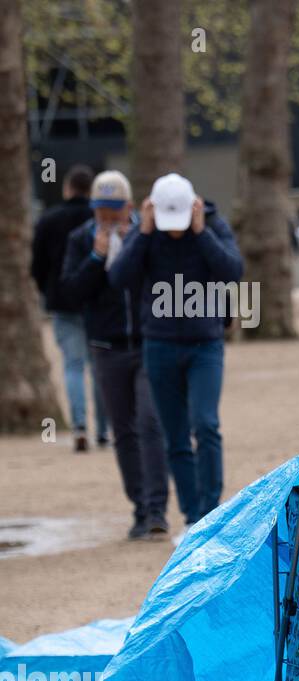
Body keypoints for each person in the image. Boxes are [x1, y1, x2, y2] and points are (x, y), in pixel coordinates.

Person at [109, 173, 243, 532]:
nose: (175, 230)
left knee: (206, 423)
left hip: (205, 344)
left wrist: (202, 233)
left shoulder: (212, 225)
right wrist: (144, 232)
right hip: (160, 344)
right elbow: (118, 277)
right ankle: (192, 516)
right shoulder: (146, 232)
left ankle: (211, 511)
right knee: (175, 435)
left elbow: (233, 271)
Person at [61, 171, 170, 540]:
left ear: (128, 207)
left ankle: (157, 509)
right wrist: (96, 257)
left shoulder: (147, 235)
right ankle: (140, 508)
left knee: (150, 422)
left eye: (114, 210)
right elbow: (71, 292)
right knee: (122, 430)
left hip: (147, 342)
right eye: (100, 211)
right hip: (106, 347)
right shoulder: (80, 239)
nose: (107, 219)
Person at [30, 163, 109, 452]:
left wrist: (46, 290)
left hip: (63, 302)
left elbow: (37, 264)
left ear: (67, 188)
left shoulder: (49, 220)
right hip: (96, 302)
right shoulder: (99, 219)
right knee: (99, 365)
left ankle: (78, 425)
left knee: (73, 366)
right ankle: (103, 430)